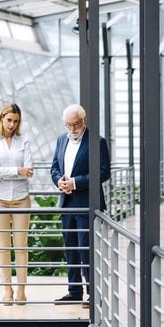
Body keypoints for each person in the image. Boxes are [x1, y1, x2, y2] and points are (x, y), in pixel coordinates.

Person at [50, 104, 111, 307]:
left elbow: (104, 172)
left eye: (75, 124)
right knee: (71, 249)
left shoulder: (97, 141)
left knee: (87, 249)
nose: (72, 128)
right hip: (67, 203)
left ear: (83, 121)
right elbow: (55, 167)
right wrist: (60, 181)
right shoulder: (61, 139)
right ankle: (74, 291)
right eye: (68, 124)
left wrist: (75, 182)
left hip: (87, 203)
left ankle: (93, 293)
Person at [0, 103, 33, 305]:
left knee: (21, 246)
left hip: (21, 198)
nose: (11, 124)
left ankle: (21, 289)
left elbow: (29, 171)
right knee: (3, 247)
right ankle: (7, 289)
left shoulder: (24, 141)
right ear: (1, 119)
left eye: (15, 121)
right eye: (8, 120)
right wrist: (16, 171)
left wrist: (4, 170)